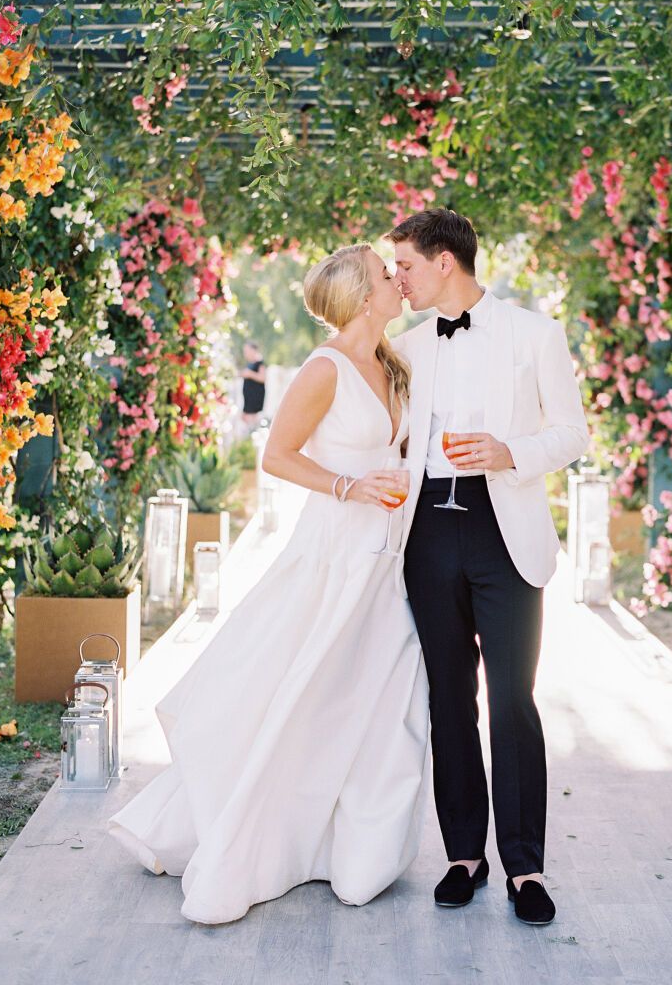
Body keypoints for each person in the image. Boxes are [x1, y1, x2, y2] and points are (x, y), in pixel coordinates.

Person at [109, 245, 429, 925]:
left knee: (379, 699)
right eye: (385, 273)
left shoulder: (394, 362)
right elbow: (277, 456)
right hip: (336, 553)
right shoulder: (326, 368)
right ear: (361, 295)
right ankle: (261, 837)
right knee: (310, 692)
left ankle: (356, 852)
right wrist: (350, 484)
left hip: (385, 560)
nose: (399, 279)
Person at [388, 208, 589, 927]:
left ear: (446, 262)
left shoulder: (537, 333)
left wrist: (511, 452)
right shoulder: (405, 346)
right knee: (449, 699)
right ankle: (462, 857)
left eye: (406, 265)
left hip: (506, 533)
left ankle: (526, 867)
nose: (397, 279)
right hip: (427, 536)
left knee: (512, 700)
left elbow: (573, 431)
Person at [240, 340, 267, 429]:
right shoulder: (250, 364)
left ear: (253, 350)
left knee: (252, 422)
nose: (245, 354)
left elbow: (263, 378)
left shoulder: (260, 363)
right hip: (248, 398)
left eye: (247, 351)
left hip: (255, 398)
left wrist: (250, 374)